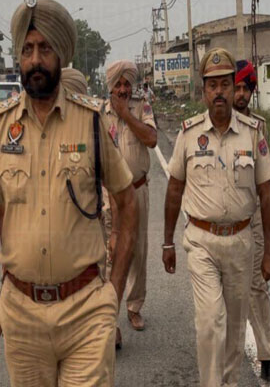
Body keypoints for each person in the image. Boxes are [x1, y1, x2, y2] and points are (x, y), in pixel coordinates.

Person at [0, 0, 139, 386]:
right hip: (22, 316)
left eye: (44, 48)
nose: (35, 60)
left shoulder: (91, 120)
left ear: (60, 55)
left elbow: (127, 201)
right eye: (27, 50)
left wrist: (115, 290)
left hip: (86, 310)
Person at [162, 48, 270, 387]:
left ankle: (229, 383)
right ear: (203, 91)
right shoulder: (188, 133)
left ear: (233, 87)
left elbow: (267, 194)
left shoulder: (253, 132)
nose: (219, 92)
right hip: (201, 242)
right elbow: (174, 189)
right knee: (211, 321)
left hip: (241, 242)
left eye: (225, 84)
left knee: (234, 329)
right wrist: (167, 242)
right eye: (212, 85)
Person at [234, 59, 270, 381]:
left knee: (258, 286)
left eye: (246, 88)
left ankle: (267, 357)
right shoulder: (215, 124)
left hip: (252, 215)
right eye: (237, 88)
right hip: (224, 219)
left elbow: (266, 183)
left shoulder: (258, 127)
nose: (241, 95)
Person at [103, 60, 157, 346]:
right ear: (110, 86)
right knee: (108, 253)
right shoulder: (100, 113)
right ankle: (107, 316)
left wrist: (126, 114)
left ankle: (134, 306)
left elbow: (151, 139)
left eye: (127, 84)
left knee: (138, 251)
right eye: (118, 84)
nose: (123, 89)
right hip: (109, 195)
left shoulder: (142, 107)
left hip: (137, 191)